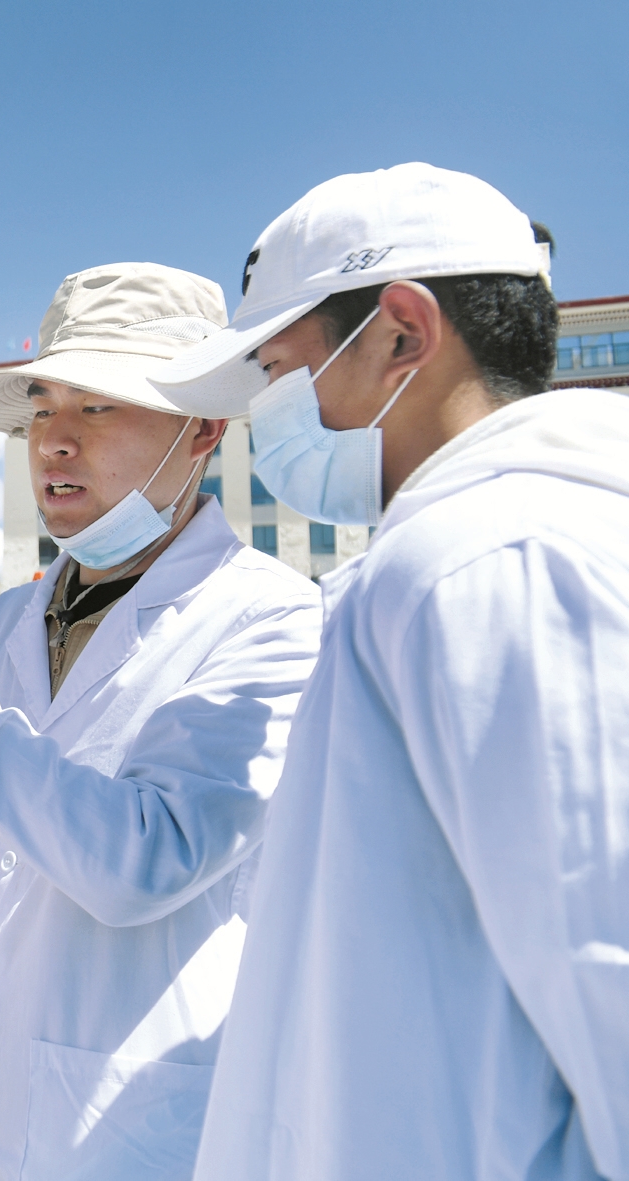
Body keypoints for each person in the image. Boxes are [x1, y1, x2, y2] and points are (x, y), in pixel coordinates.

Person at [0, 262, 325, 1179]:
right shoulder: (13, 619)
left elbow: (142, 858)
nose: (55, 442)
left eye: (99, 406)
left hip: (126, 1137)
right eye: (42, 409)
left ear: (203, 427)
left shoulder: (272, 618)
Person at [148, 163, 629, 1180]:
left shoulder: (493, 556)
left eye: (279, 370)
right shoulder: (468, 551)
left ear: (401, 334)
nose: (267, 413)